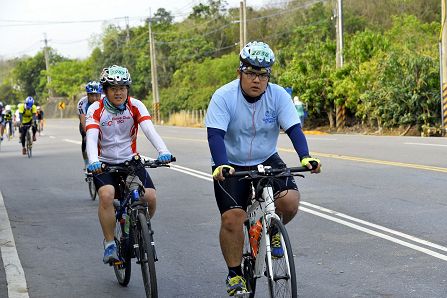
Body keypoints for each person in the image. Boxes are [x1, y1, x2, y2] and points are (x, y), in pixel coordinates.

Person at [205, 41, 321, 296]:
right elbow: (215, 135)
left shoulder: (278, 95)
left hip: (266, 157)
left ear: (268, 75)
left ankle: (270, 230)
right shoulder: (223, 96)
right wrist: (221, 163)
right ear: (240, 73)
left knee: (290, 201)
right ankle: (235, 274)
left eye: (262, 74)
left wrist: (305, 156)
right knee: (232, 218)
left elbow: (293, 128)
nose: (256, 79)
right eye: (251, 73)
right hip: (231, 161)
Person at [85, 65, 174, 264]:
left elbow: (150, 131)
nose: (119, 92)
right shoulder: (96, 109)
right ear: (105, 91)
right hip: (104, 164)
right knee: (106, 195)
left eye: (123, 87)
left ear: (128, 89)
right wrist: (93, 162)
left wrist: (163, 152)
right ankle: (109, 244)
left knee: (150, 197)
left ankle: (135, 226)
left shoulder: (136, 106)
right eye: (113, 88)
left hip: (130, 161)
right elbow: (91, 138)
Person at [77, 81, 102, 169]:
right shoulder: (82, 103)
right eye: (92, 95)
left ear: (101, 94)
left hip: (101, 121)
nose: (95, 98)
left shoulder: (106, 100)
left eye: (97, 95)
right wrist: (89, 135)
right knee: (86, 139)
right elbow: (84, 123)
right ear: (87, 95)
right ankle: (86, 161)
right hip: (87, 121)